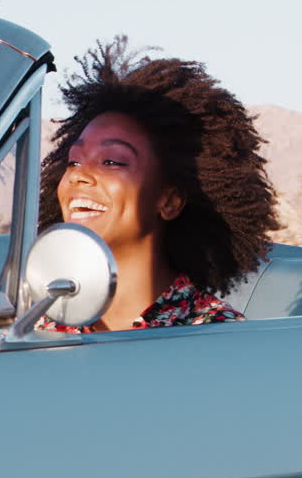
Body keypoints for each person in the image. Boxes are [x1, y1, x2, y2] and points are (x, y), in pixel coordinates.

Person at [37, 37, 279, 332]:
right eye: (74, 161)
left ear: (169, 201)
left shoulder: (214, 337)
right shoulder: (36, 329)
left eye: (112, 161)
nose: (78, 176)